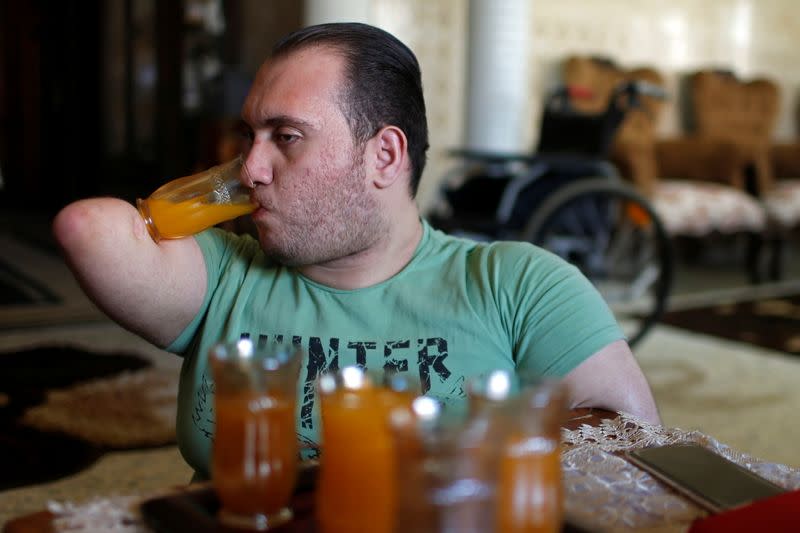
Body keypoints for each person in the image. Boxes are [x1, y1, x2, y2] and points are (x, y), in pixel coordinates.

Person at [53, 22, 660, 478]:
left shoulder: (517, 282)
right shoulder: (225, 274)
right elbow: (90, 231)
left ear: (385, 156)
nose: (253, 165)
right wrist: (234, 181)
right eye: (249, 136)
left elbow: (633, 445)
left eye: (287, 136)